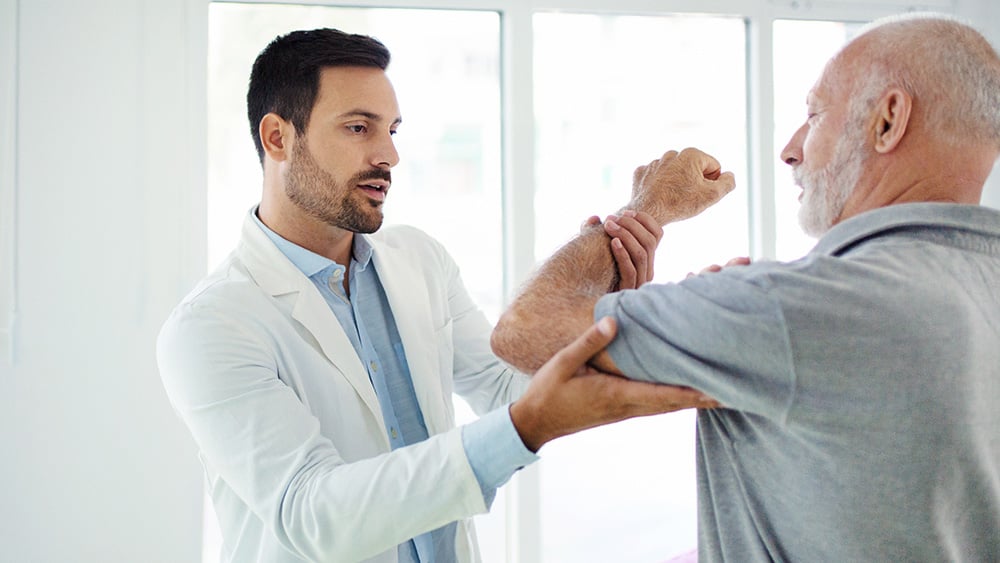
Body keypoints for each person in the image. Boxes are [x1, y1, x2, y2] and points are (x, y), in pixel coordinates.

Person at [156, 28, 710, 563]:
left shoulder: (418, 260)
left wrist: (602, 303)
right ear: (278, 137)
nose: (388, 155)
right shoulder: (211, 326)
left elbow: (501, 385)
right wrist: (524, 429)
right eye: (358, 128)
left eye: (392, 130)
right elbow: (313, 513)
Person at [492, 13, 1000, 561]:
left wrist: (647, 208)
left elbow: (525, 330)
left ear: (888, 120)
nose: (790, 148)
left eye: (814, 114)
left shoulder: (801, 305)